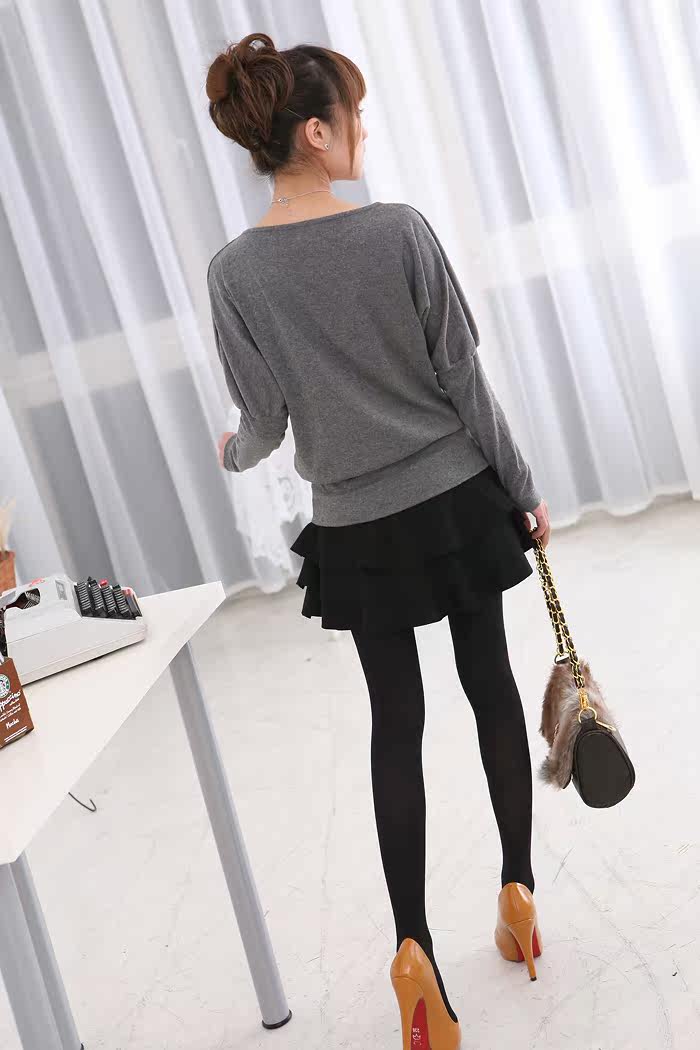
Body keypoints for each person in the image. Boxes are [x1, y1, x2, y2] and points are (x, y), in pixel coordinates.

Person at [206, 32, 551, 1050]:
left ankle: (413, 955)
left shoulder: (234, 274)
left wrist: (231, 453)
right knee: (490, 687)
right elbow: (462, 382)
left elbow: (263, 422)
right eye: (352, 113)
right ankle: (518, 895)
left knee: (394, 725)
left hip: (356, 526)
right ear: (316, 133)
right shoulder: (399, 230)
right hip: (454, 500)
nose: (362, 129)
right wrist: (521, 489)